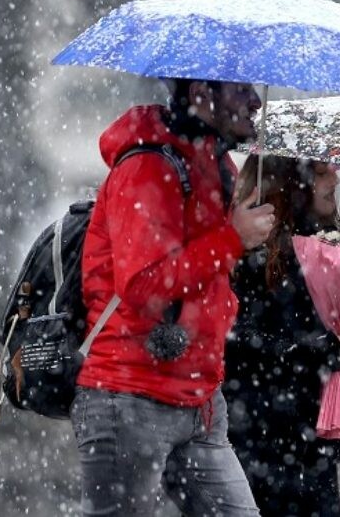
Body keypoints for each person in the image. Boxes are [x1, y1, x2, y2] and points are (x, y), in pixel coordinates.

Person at [76, 79, 274, 515]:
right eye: (240, 90)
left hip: (200, 400)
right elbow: (143, 286)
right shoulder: (147, 167)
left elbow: (213, 273)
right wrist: (233, 238)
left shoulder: (217, 164)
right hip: (128, 397)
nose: (256, 101)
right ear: (202, 91)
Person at [224, 156, 340, 517]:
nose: (335, 177)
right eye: (322, 172)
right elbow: (236, 341)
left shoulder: (325, 246)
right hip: (257, 434)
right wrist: (325, 351)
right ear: (292, 183)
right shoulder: (248, 251)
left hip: (310, 436)